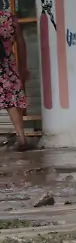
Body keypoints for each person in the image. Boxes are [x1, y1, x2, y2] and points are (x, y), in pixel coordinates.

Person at [0, 11, 30, 152]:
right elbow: (21, 42)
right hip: (8, 64)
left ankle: (22, 139)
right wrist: (23, 67)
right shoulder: (9, 17)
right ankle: (22, 137)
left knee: (11, 102)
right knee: (12, 101)